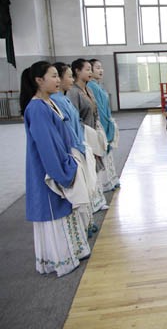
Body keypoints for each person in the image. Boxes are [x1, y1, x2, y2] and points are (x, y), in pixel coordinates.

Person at [20, 61, 91, 277]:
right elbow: (47, 146)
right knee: (54, 210)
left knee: (66, 209)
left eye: (58, 76)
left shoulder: (49, 102)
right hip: (50, 170)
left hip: (63, 162)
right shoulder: (36, 108)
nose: (58, 80)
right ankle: (60, 258)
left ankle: (74, 251)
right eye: (53, 76)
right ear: (38, 80)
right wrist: (61, 172)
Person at [51, 62, 96, 238]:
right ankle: (83, 226)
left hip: (79, 144)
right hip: (72, 148)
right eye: (68, 76)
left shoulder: (64, 98)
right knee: (77, 190)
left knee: (85, 185)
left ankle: (87, 222)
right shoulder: (55, 101)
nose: (71, 80)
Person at [67, 58, 108, 212]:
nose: (90, 72)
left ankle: (98, 199)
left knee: (95, 165)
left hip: (93, 131)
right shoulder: (73, 92)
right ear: (77, 71)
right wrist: (85, 133)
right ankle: (91, 201)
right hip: (84, 134)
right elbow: (74, 117)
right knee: (88, 167)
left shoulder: (88, 89)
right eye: (87, 69)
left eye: (91, 69)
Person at [88, 59, 120, 192]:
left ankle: (111, 180)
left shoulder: (98, 85)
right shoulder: (91, 86)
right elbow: (98, 109)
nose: (101, 70)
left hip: (106, 121)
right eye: (97, 68)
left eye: (101, 67)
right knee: (101, 151)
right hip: (100, 124)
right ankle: (105, 183)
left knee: (108, 154)